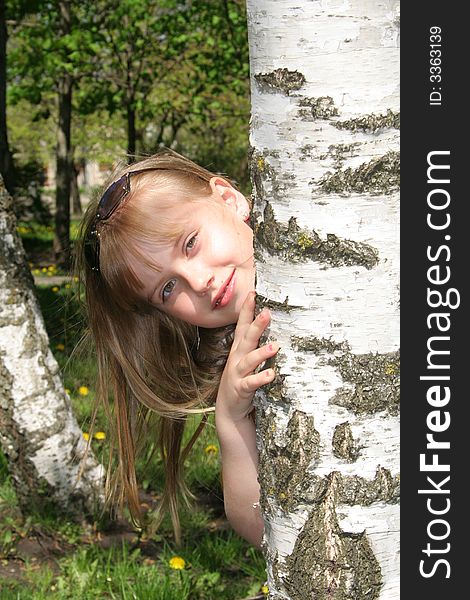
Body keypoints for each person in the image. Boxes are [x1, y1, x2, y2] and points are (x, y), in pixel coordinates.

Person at [76, 149, 279, 548]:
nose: (198, 280)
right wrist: (232, 420)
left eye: (189, 243)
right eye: (168, 288)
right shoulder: (236, 369)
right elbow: (262, 534)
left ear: (228, 198)